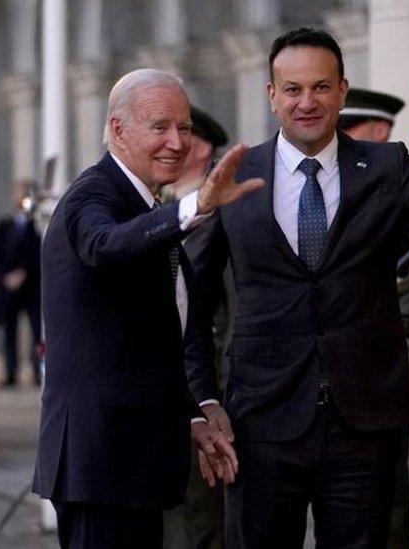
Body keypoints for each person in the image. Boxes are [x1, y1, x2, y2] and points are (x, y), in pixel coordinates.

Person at [183, 27, 409, 548]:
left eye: (320, 87)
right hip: (262, 422)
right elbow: (194, 305)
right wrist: (201, 398)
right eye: (292, 89)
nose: (306, 102)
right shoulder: (236, 177)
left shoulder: (386, 167)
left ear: (342, 90)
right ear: (272, 96)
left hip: (364, 424)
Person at [33, 68, 260, 549]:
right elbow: (105, 245)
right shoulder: (93, 195)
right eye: (160, 127)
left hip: (135, 462)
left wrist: (196, 414)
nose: (176, 142)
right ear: (118, 130)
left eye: (184, 128)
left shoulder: (144, 204)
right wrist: (195, 207)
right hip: (99, 464)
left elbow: (163, 334)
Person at [337, 87, 409, 549]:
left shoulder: (391, 187)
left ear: (381, 132)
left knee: (384, 489)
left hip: (380, 349)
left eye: (350, 129)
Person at [162, 106, 231, 549]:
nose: (166, 144)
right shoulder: (167, 213)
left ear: (200, 147)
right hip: (167, 390)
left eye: (177, 133)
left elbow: (221, 317)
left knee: (198, 520)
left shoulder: (221, 221)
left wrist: (208, 396)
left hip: (205, 387)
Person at [0, 179, 42, 387]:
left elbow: (38, 254)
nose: (21, 198)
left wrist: (23, 273)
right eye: (18, 193)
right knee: (9, 332)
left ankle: (39, 371)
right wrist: (6, 276)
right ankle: (11, 372)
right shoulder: (5, 225)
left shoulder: (36, 224)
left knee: (38, 332)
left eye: (25, 194)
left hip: (31, 287)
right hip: (9, 289)